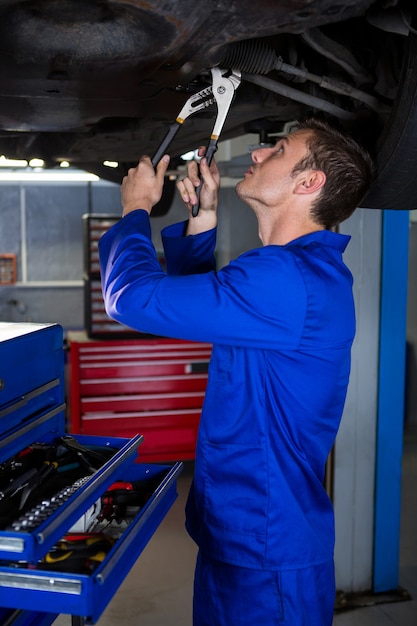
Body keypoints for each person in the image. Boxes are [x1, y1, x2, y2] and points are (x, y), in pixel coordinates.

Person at [98, 116, 374, 626]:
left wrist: (136, 208)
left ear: (309, 182)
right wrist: (203, 218)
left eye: (279, 150)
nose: (257, 154)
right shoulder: (297, 271)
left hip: (265, 551)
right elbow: (204, 308)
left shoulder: (286, 277)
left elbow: (131, 299)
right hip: (246, 531)